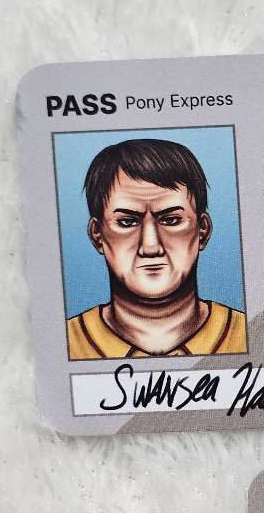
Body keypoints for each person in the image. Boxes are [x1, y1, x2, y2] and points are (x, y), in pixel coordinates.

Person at [66, 138, 247, 359]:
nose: (150, 247)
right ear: (97, 235)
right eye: (127, 222)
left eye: (171, 220)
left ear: (203, 230)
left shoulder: (251, 333)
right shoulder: (64, 343)